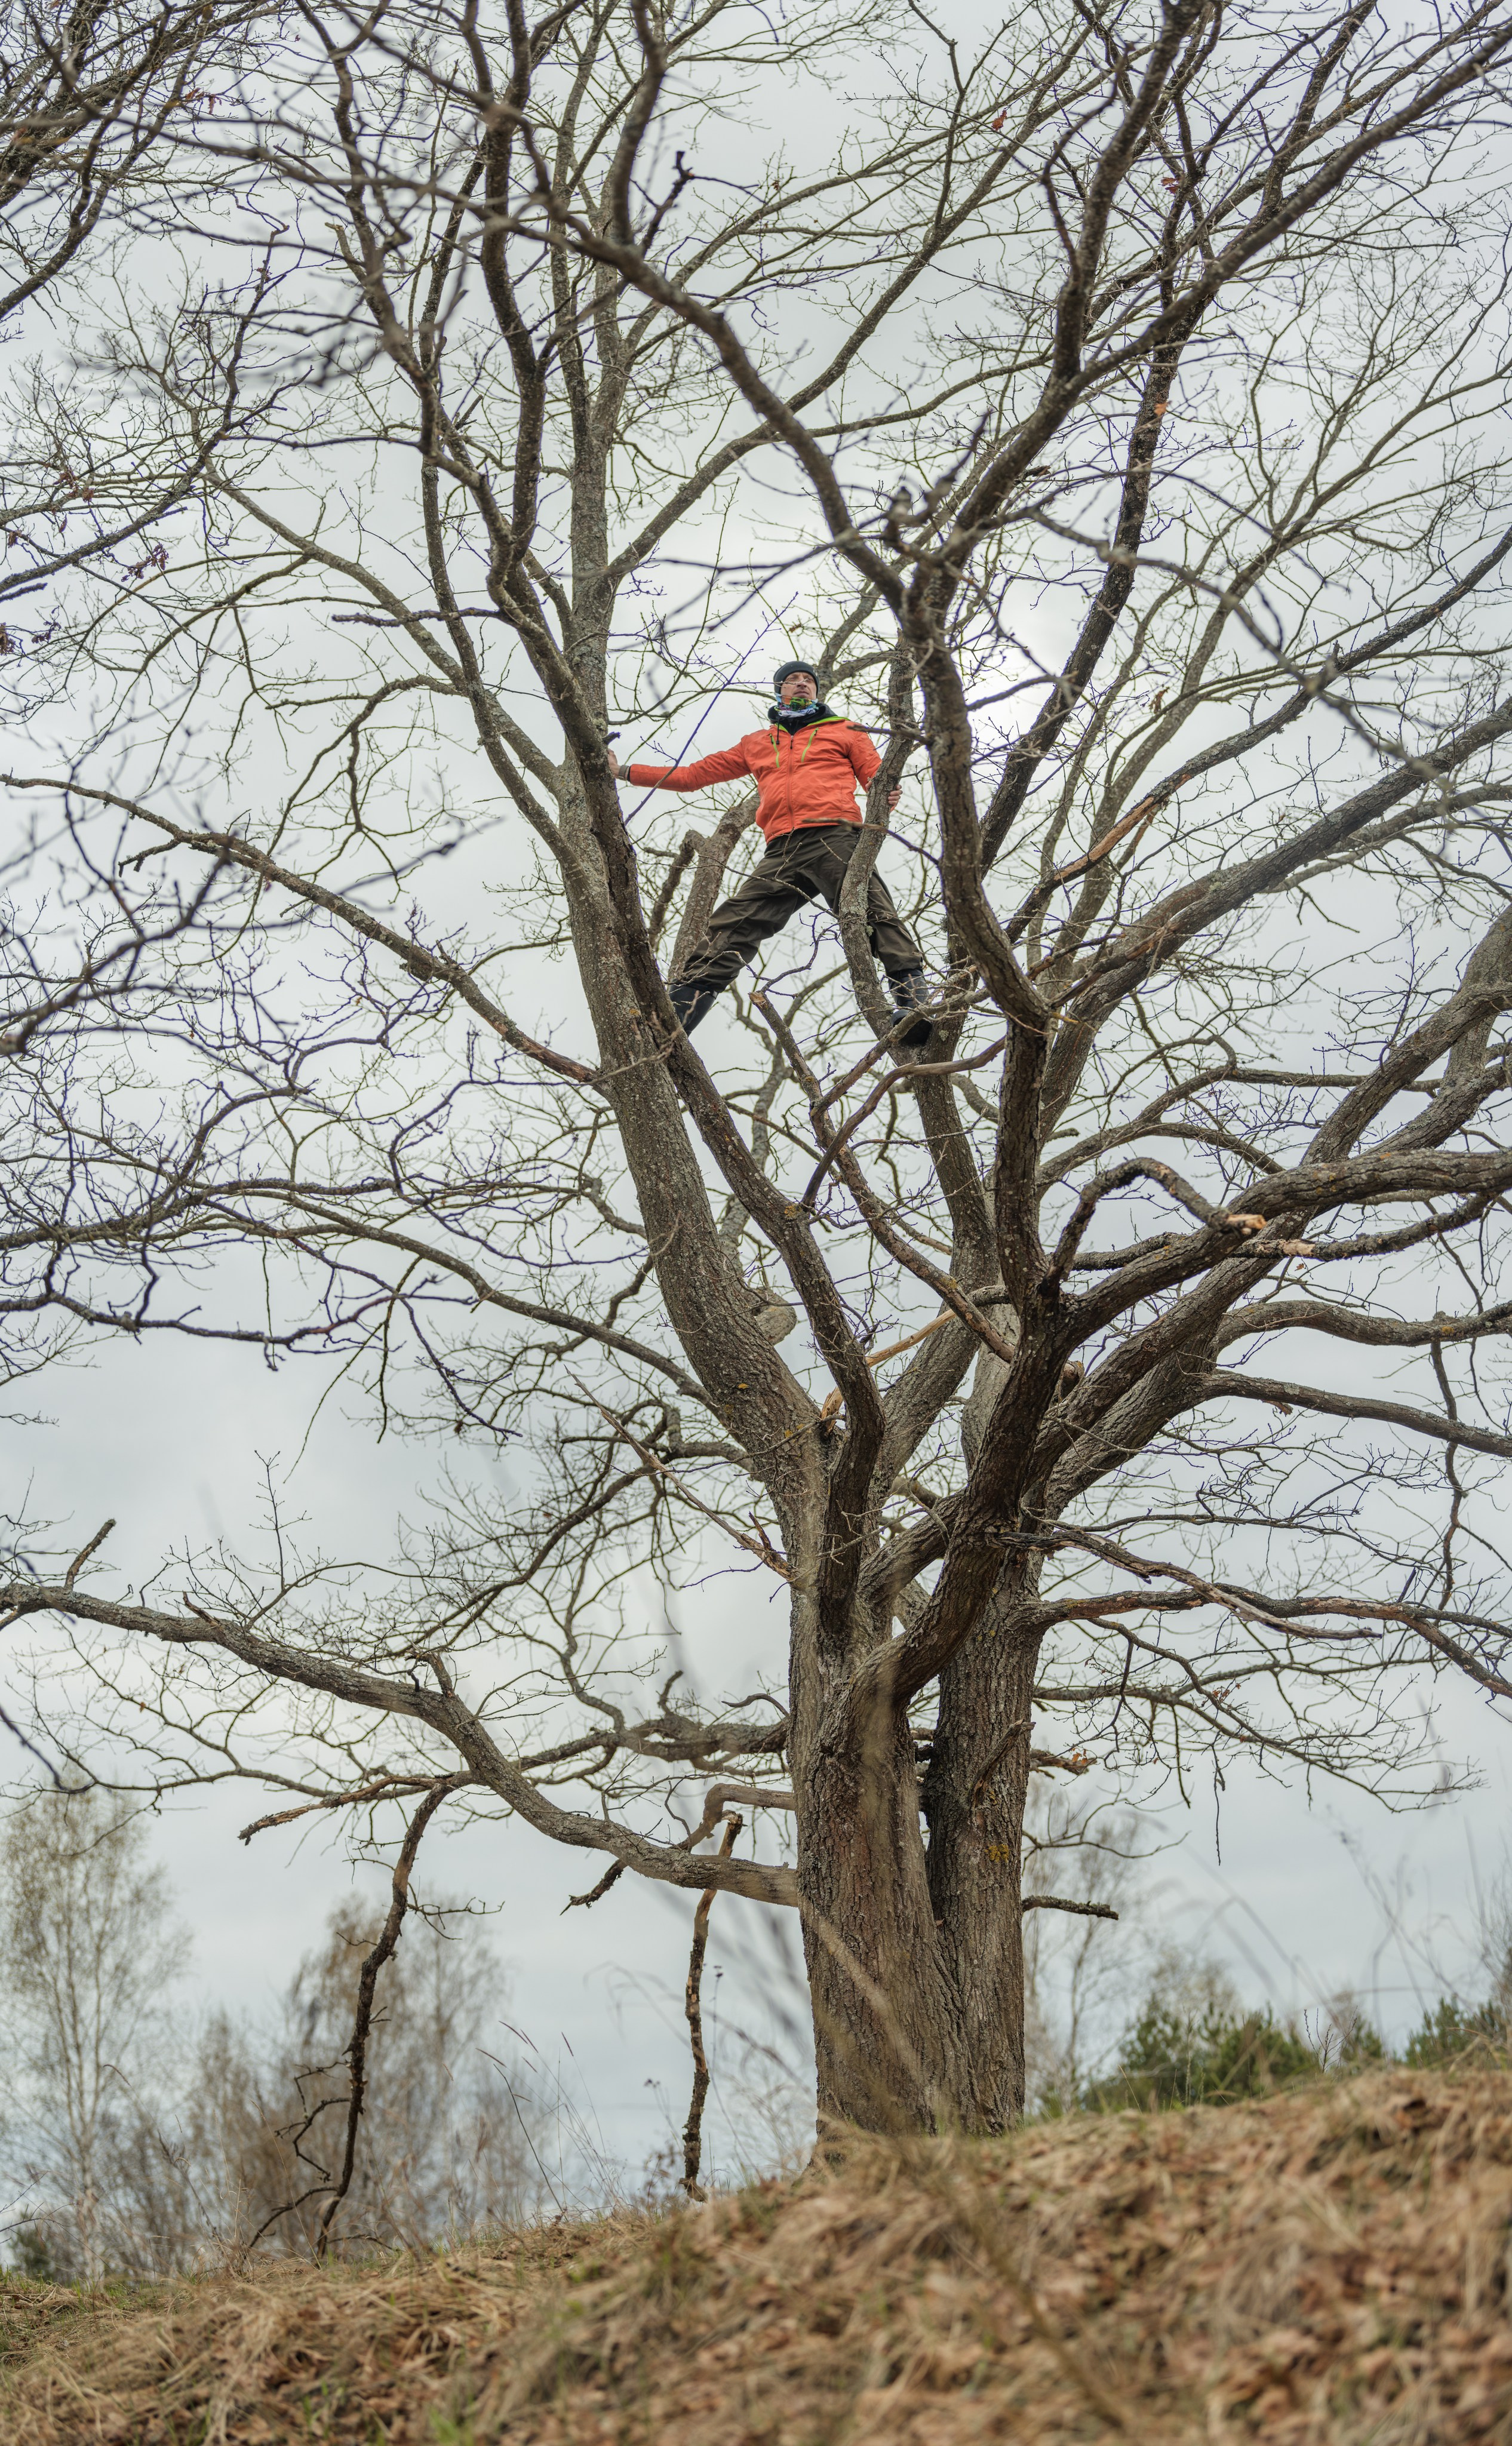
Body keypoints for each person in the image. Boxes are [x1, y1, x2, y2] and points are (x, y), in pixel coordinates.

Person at [609, 662, 934, 1050]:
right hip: (781, 850)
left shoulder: (844, 729)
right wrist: (625, 771)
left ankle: (915, 1007)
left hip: (835, 836)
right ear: (780, 689)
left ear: (817, 692)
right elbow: (693, 776)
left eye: (809, 681)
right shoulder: (757, 743)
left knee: (874, 913)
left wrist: (888, 792)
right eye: (794, 679)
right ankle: (676, 1019)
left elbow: (877, 777)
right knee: (733, 923)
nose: (802, 684)